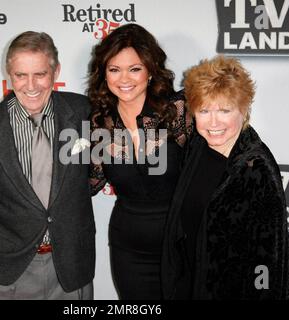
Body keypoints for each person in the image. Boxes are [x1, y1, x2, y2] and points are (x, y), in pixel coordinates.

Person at [0, 31, 95, 299]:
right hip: (9, 271)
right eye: (21, 75)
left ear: (56, 72)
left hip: (71, 267)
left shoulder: (83, 112)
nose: (30, 85)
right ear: (9, 73)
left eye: (40, 74)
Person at [161, 55, 289, 300]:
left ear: (244, 110)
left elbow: (267, 265)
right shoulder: (198, 146)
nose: (213, 122)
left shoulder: (256, 168)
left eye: (225, 110)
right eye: (204, 110)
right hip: (191, 284)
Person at [87, 23, 190, 300]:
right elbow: (90, 183)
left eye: (134, 68)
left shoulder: (177, 111)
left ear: (151, 70)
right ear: (104, 73)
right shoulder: (101, 122)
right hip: (128, 250)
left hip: (182, 245)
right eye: (114, 69)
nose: (124, 78)